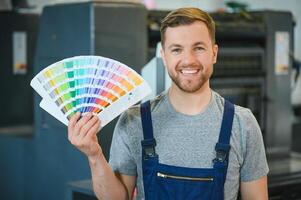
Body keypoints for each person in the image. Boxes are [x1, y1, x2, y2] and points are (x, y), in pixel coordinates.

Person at [67, 7, 269, 200]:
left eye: (198, 48)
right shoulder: (134, 121)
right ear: (163, 55)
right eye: (176, 50)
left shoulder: (243, 124)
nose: (188, 60)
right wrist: (94, 155)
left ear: (214, 53)